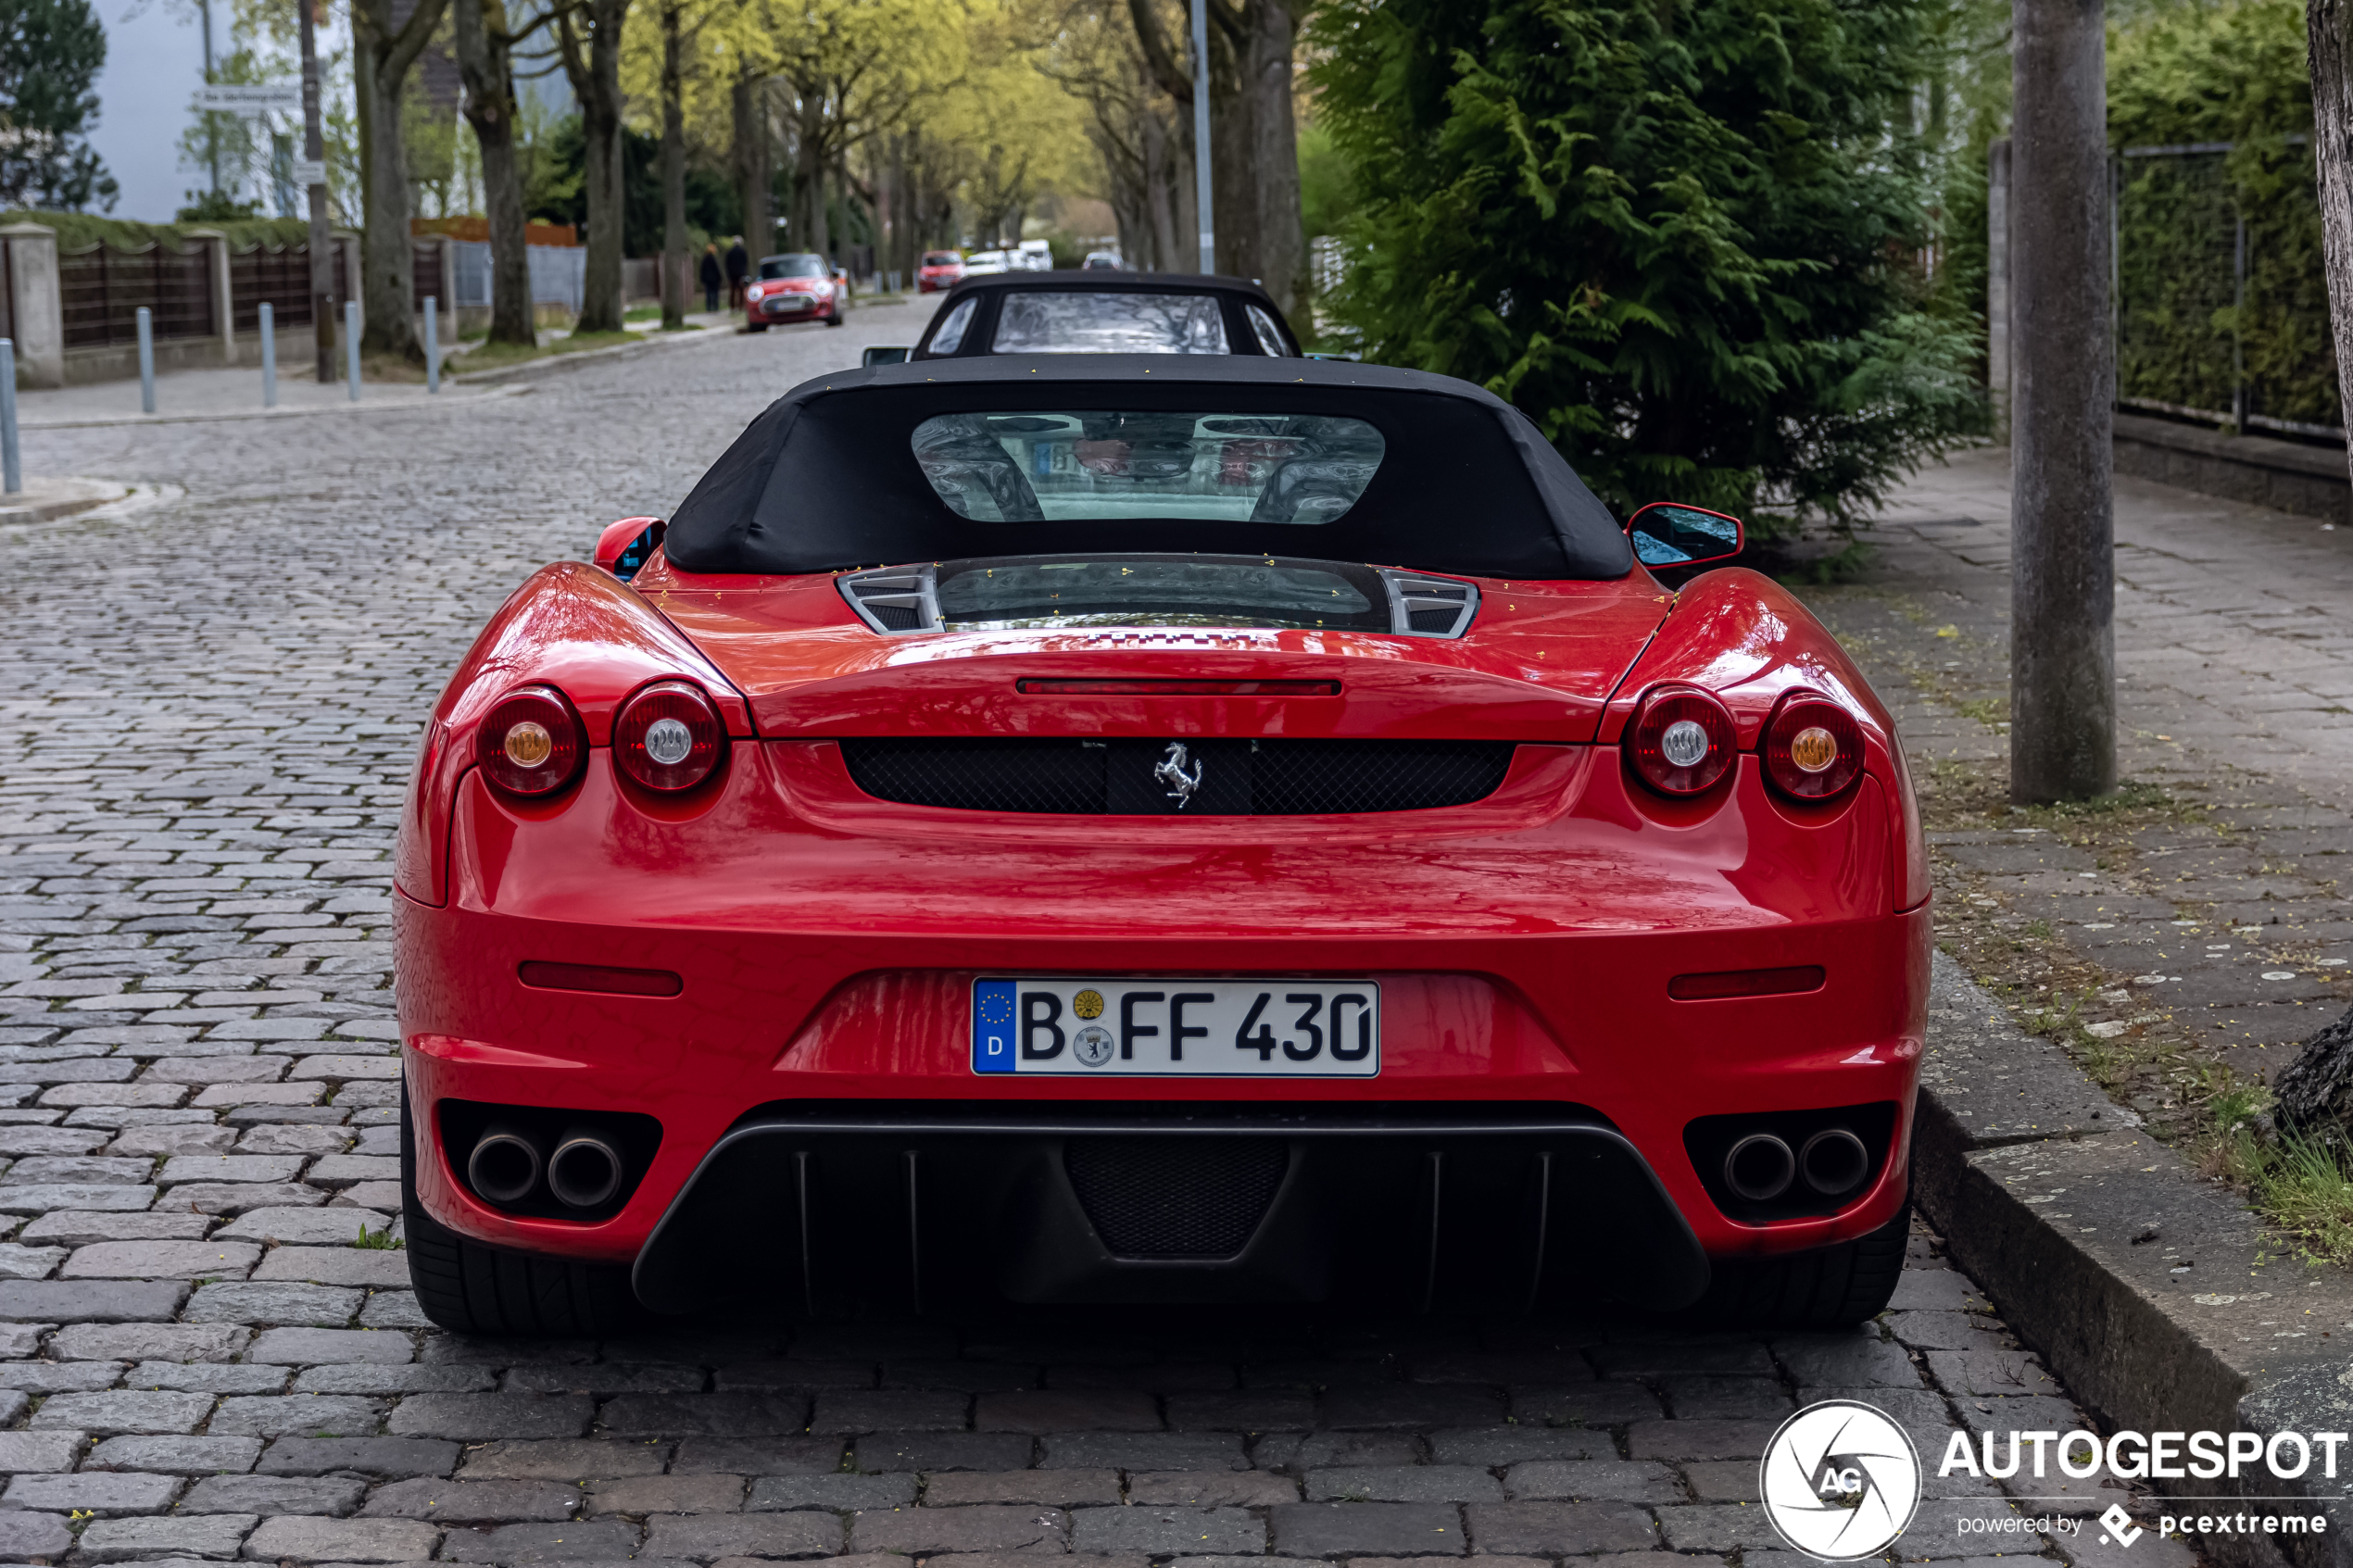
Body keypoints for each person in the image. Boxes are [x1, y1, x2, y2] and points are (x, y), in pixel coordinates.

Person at [724, 238, 749, 309]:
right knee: (741, 290)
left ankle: (732, 306)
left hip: (732, 274)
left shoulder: (729, 252)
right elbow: (745, 263)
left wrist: (728, 274)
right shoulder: (743, 252)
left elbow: (727, 264)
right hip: (741, 273)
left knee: (732, 291)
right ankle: (741, 306)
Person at [698, 245, 722, 313]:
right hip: (714, 279)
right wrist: (720, 277)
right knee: (715, 293)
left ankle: (708, 307)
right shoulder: (713, 259)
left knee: (708, 293)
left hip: (707, 279)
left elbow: (702, 269)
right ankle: (715, 306)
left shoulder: (704, 259)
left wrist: (702, 278)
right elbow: (717, 269)